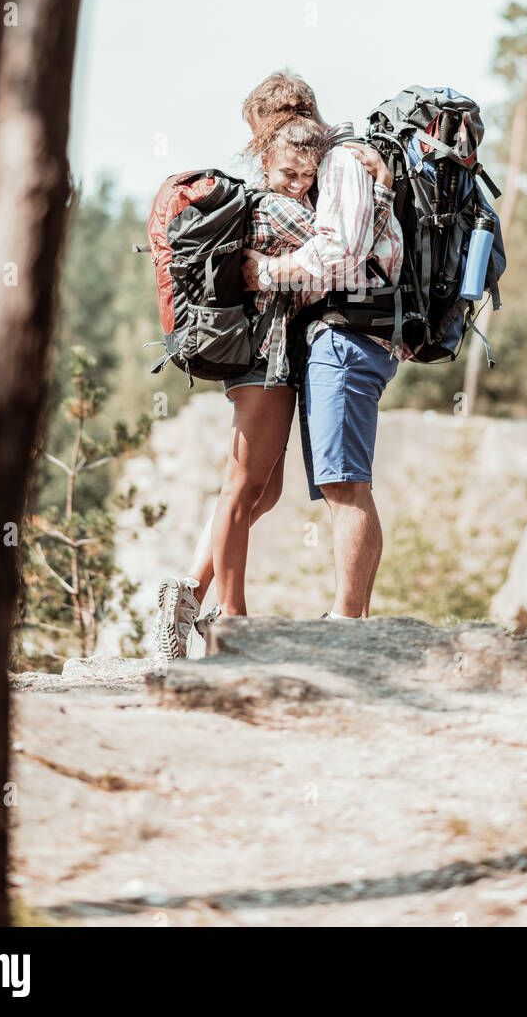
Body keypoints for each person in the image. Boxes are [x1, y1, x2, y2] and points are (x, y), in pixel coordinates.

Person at [152, 73, 399, 660]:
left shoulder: (282, 188)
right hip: (266, 356)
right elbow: (339, 245)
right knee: (243, 487)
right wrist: (380, 189)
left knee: (263, 491)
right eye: (289, 171)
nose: (298, 180)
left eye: (305, 173)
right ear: (268, 155)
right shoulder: (277, 208)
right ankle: (228, 615)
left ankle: (188, 591)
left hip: (275, 355)